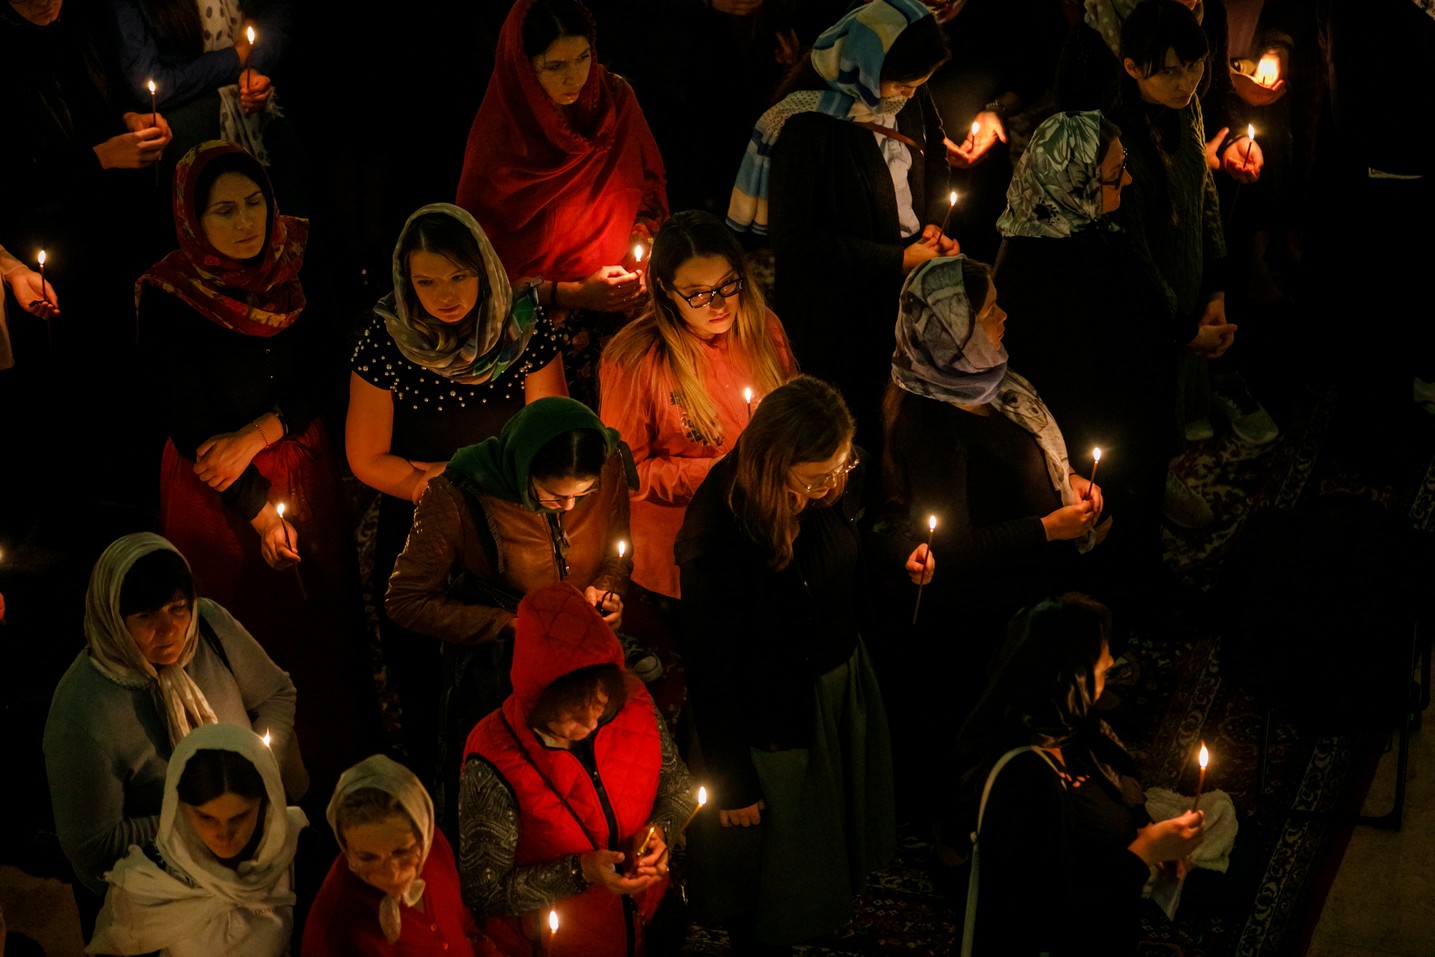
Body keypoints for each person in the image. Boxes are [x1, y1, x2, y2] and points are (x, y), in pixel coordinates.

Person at [138, 139, 379, 803]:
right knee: (238, 632)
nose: (246, 222)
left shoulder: (297, 257)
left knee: (318, 618)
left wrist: (260, 433)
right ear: (192, 218)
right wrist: (256, 507)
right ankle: (243, 792)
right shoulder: (170, 293)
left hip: (297, 459)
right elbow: (187, 420)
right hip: (213, 485)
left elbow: (329, 366)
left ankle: (335, 774)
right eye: (224, 211)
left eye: (254, 204)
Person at [674, 375, 912, 954]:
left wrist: (898, 558)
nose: (833, 485)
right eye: (817, 477)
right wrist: (732, 781)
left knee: (832, 835)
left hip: (834, 689)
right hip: (772, 718)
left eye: (841, 468)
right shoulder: (719, 532)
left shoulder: (829, 484)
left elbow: (848, 555)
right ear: (776, 462)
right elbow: (709, 665)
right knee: (775, 864)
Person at [346, 202, 565, 793]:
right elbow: (366, 457)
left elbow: (546, 437)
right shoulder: (386, 339)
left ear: (484, 269)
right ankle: (439, 803)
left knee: (516, 678)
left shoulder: (525, 328)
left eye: (459, 276)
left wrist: (461, 473)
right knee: (427, 689)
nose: (444, 296)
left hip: (512, 525)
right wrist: (436, 485)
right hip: (421, 526)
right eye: (426, 282)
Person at [877, 254, 1104, 822]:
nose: (1004, 317)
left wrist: (1067, 479)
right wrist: (1047, 528)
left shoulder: (983, 382)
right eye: (989, 312)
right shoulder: (931, 426)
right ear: (954, 334)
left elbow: (1021, 457)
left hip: (1025, 584)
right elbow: (956, 548)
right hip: (984, 617)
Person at [384, 396, 635, 834]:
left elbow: (617, 551)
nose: (569, 508)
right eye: (553, 496)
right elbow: (405, 600)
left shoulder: (608, 463)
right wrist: (506, 625)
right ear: (523, 469)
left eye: (583, 495)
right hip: (501, 677)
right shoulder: (458, 495)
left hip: (584, 667)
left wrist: (607, 589)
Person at [727, 0, 954, 453]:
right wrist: (895, 259)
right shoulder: (807, 123)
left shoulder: (907, 95)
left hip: (900, 289)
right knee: (850, 427)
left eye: (919, 85)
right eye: (904, 84)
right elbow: (797, 242)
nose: (909, 96)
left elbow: (934, 155)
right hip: (837, 315)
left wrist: (932, 224)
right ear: (867, 65)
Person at [42, 533, 304, 909]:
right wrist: (205, 817)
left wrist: (259, 770)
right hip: (159, 896)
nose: (168, 630)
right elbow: (94, 846)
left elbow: (276, 694)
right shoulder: (82, 711)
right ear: (113, 620)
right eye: (145, 616)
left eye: (178, 608)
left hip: (255, 856)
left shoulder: (208, 626)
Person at [948, 593, 1214, 956]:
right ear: (1068, 678)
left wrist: (1146, 832)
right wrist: (1145, 851)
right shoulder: (1023, 780)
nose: (1111, 662)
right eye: (1099, 658)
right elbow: (1053, 916)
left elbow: (1117, 803)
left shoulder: (1078, 735)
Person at [993, 110, 1178, 628]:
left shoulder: (1081, 223)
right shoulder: (1036, 265)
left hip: (1130, 423)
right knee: (1112, 550)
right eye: (1115, 174)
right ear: (1074, 181)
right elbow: (1068, 383)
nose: (1128, 180)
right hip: (1097, 444)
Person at [458, 581, 695, 957]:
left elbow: (679, 789)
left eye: (599, 706)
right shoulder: (494, 754)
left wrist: (659, 832)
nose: (589, 725)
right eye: (571, 715)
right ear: (539, 699)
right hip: (555, 945)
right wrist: (579, 871)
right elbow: (484, 892)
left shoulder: (633, 701)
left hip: (647, 924)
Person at [455, 0, 668, 409]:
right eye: (555, 66)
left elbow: (649, 189)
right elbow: (480, 272)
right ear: (523, 67)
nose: (575, 77)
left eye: (583, 57)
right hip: (536, 322)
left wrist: (639, 262)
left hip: (622, 301)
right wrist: (575, 294)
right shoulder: (501, 142)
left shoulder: (616, 101)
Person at [598, 209, 798, 618]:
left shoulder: (763, 327)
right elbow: (625, 473)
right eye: (698, 293)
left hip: (764, 539)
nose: (719, 304)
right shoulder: (634, 360)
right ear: (665, 290)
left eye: (728, 284)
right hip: (687, 557)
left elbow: (793, 417)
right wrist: (719, 471)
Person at [87, 723, 307, 957]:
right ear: (178, 809)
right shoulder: (149, 882)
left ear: (266, 804)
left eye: (239, 817)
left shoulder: (298, 855)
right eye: (206, 817)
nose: (224, 834)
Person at [302, 754, 501, 957]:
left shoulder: (436, 848)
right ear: (347, 848)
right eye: (368, 858)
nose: (392, 874)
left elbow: (462, 923)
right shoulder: (336, 930)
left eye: (402, 851)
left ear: (424, 834)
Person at [107, 0, 301, 203]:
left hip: (263, 119)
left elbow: (275, 10)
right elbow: (149, 82)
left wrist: (255, 65)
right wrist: (236, 57)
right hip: (191, 138)